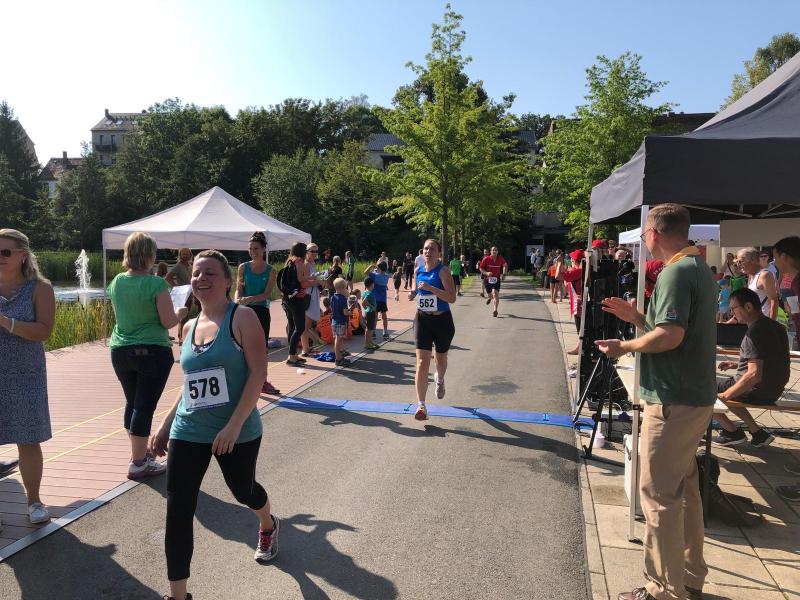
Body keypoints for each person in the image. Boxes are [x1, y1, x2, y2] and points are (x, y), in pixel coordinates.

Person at [595, 204, 717, 600]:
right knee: (685, 492)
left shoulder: (676, 272)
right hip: (690, 397)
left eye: (645, 233)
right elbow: (674, 329)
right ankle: (689, 577)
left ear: (654, 233)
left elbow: (670, 337)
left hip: (672, 399)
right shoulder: (697, 268)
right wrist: (637, 318)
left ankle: (663, 588)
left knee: (659, 497)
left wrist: (625, 346)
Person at [149, 250, 279, 600]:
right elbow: (191, 383)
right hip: (190, 428)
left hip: (236, 430)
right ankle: (178, 595)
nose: (201, 279)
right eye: (196, 273)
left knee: (243, 491)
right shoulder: (188, 326)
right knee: (178, 508)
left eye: (210, 273)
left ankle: (267, 522)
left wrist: (234, 425)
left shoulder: (243, 318)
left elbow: (258, 374)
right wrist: (166, 423)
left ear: (226, 281)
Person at [108, 232, 189, 480]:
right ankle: (139, 462)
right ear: (150, 255)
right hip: (151, 350)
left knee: (133, 403)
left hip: (120, 349)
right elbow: (167, 321)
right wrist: (181, 313)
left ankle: (139, 453)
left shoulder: (117, 281)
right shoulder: (156, 284)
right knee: (144, 407)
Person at [0, 229, 56, 528]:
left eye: (5, 252)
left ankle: (34, 501)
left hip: (26, 376)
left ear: (23, 255)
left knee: (28, 440)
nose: (0, 258)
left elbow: (43, 331)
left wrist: (5, 322)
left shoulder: (40, 288)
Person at [712, 287, 789, 447]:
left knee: (700, 388)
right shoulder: (777, 327)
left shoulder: (754, 332)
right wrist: (737, 364)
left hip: (755, 391)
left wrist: (724, 396)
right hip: (774, 391)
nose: (732, 313)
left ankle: (731, 432)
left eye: (734, 308)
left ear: (748, 306)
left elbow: (754, 375)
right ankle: (757, 433)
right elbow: (771, 358)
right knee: (729, 386)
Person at [408, 239, 457, 420]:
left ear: (439, 253)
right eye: (425, 249)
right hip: (422, 319)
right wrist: (413, 293)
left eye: (432, 249)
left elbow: (452, 298)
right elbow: (416, 289)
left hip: (442, 320)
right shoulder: (418, 270)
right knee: (422, 362)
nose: (428, 251)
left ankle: (440, 379)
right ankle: (421, 405)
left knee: (440, 359)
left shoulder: (443, 271)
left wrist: (431, 288)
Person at [234, 232, 280, 396]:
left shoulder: (271, 271)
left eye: (256, 249)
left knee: (262, 348)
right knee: (241, 347)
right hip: (244, 311)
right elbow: (238, 289)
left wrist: (250, 299)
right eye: (250, 249)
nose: (253, 252)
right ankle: (243, 380)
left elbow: (266, 294)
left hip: (261, 311)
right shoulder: (243, 267)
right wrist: (237, 300)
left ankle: (263, 381)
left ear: (263, 250)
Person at [282, 242, 315, 366]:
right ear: (302, 251)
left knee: (292, 326)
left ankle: (293, 354)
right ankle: (292, 356)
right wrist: (313, 277)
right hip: (297, 299)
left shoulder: (289, 261)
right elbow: (300, 279)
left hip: (287, 298)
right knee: (300, 327)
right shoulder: (299, 261)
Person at [737, 247, 779, 319]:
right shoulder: (751, 276)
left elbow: (774, 301)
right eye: (737, 262)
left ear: (753, 260)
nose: (738, 264)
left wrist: (771, 323)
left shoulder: (764, 275)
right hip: (755, 321)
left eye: (741, 261)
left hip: (765, 321)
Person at [774, 236, 800, 350]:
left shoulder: (798, 281)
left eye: (775, 257)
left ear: (784, 256)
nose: (775, 262)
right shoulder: (795, 281)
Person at [166, 248, 194, 343]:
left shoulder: (190, 266)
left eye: (187, 253)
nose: (185, 255)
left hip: (191, 293)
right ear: (180, 255)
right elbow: (168, 277)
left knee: (187, 316)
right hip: (183, 294)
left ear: (190, 255)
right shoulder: (178, 266)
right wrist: (177, 288)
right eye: (183, 254)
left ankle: (184, 336)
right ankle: (182, 338)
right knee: (183, 316)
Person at [301, 244, 323, 357]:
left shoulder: (312, 264)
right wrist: (318, 282)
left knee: (308, 325)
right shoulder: (305, 264)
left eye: (316, 251)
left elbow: (312, 280)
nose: (314, 253)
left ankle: (307, 348)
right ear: (307, 252)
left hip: (313, 295)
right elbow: (304, 284)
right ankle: (305, 350)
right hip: (308, 296)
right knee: (306, 326)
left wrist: (320, 284)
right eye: (312, 251)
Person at [562, 249, 586, 355]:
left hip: (579, 304)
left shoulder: (578, 271)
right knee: (581, 327)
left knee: (580, 328)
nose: (570, 260)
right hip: (579, 303)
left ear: (575, 260)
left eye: (571, 259)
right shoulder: (580, 270)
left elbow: (560, 276)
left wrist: (560, 264)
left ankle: (580, 348)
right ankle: (579, 347)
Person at [480, 247, 508, 317]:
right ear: (490, 252)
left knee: (496, 294)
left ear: (497, 252)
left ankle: (495, 310)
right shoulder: (486, 259)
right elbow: (481, 268)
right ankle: (490, 298)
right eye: (493, 250)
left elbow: (505, 265)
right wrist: (486, 273)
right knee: (490, 295)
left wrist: (504, 274)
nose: (494, 251)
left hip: (497, 280)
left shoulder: (500, 258)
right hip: (487, 280)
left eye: (496, 250)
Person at [330, 278, 352, 367]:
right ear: (343, 288)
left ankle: (341, 352)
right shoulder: (342, 299)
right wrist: (349, 312)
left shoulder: (332, 297)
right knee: (338, 339)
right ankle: (338, 358)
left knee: (339, 338)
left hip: (334, 321)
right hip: (341, 321)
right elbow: (345, 312)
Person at [367, 261, 391, 340]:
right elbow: (383, 273)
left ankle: (374, 332)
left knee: (375, 316)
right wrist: (378, 269)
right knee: (384, 316)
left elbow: (365, 272)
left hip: (375, 299)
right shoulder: (387, 276)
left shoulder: (375, 276)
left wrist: (371, 266)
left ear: (380, 268)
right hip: (383, 300)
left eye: (378, 268)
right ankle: (385, 332)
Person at [362, 276, 379, 350]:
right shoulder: (369, 293)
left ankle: (370, 342)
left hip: (369, 312)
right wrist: (371, 307)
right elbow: (363, 302)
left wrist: (366, 308)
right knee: (369, 329)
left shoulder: (365, 292)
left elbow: (363, 301)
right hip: (370, 313)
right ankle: (367, 344)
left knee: (370, 328)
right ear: (372, 284)